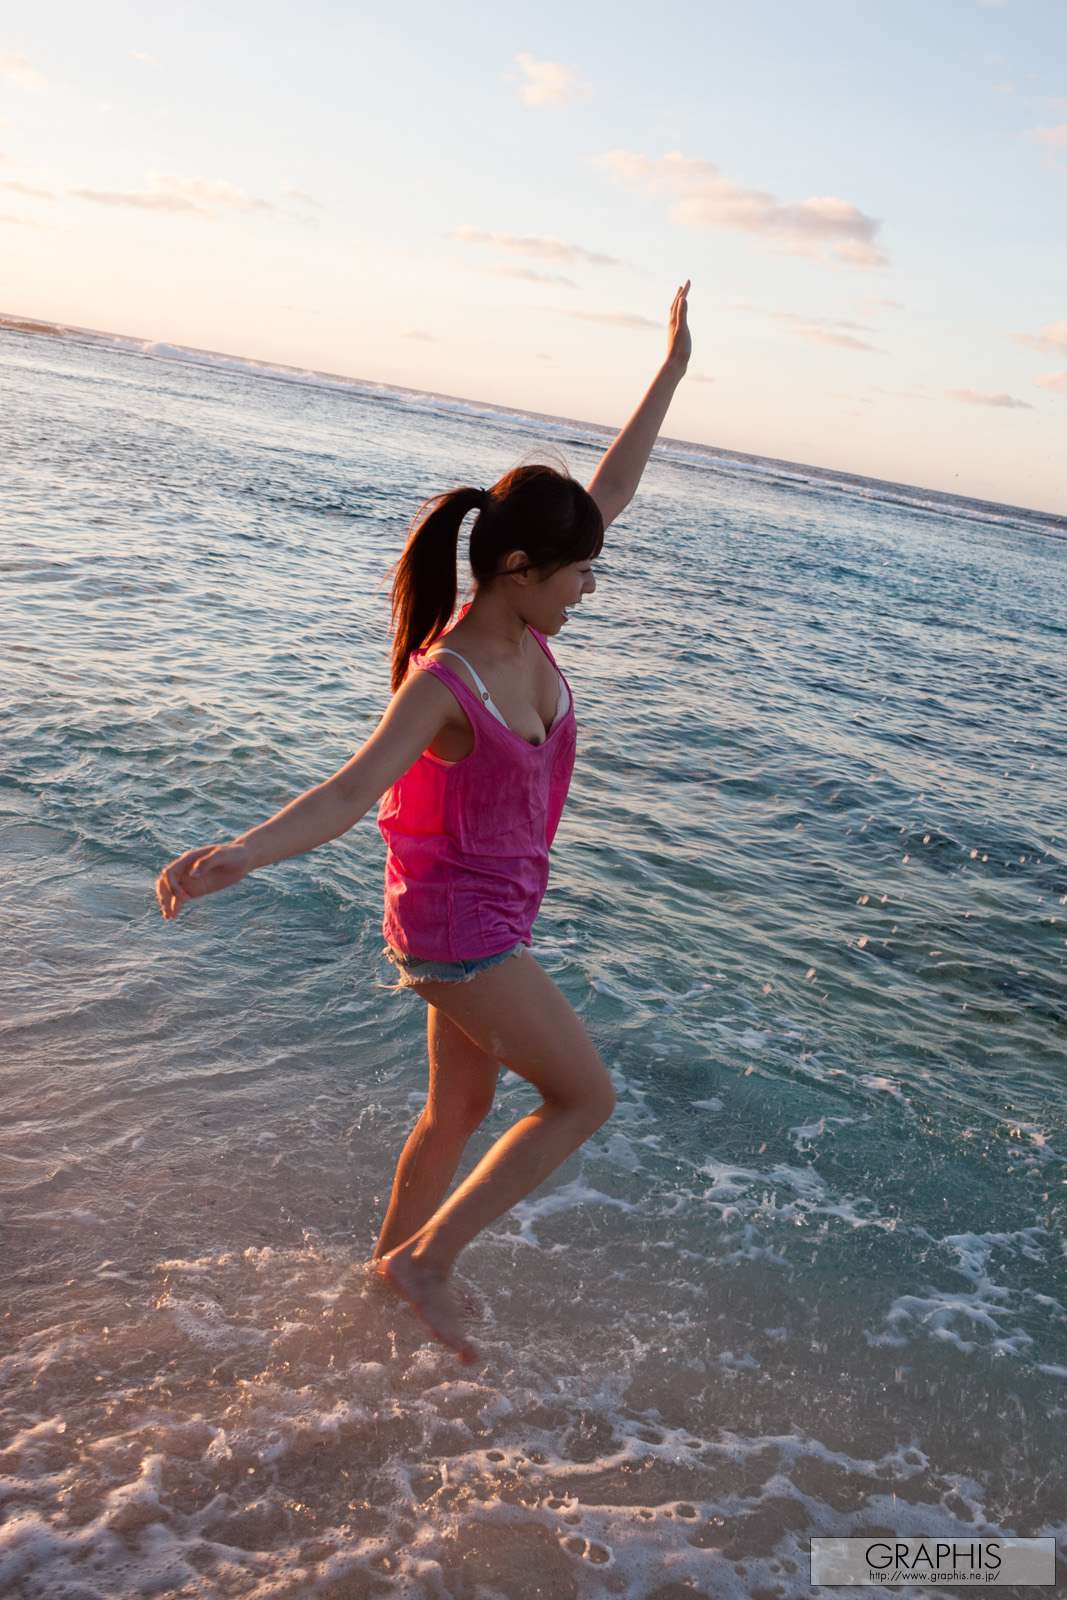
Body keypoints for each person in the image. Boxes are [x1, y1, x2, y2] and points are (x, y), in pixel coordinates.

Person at [155, 280, 692, 1363]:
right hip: (460, 930)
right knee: (582, 1097)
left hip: (483, 914)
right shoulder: (447, 680)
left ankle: (380, 1282)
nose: (591, 588)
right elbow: (350, 791)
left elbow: (610, 488)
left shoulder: (524, 631)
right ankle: (425, 1263)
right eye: (580, 572)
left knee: (457, 1110)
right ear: (516, 571)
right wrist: (241, 855)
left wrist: (671, 369)